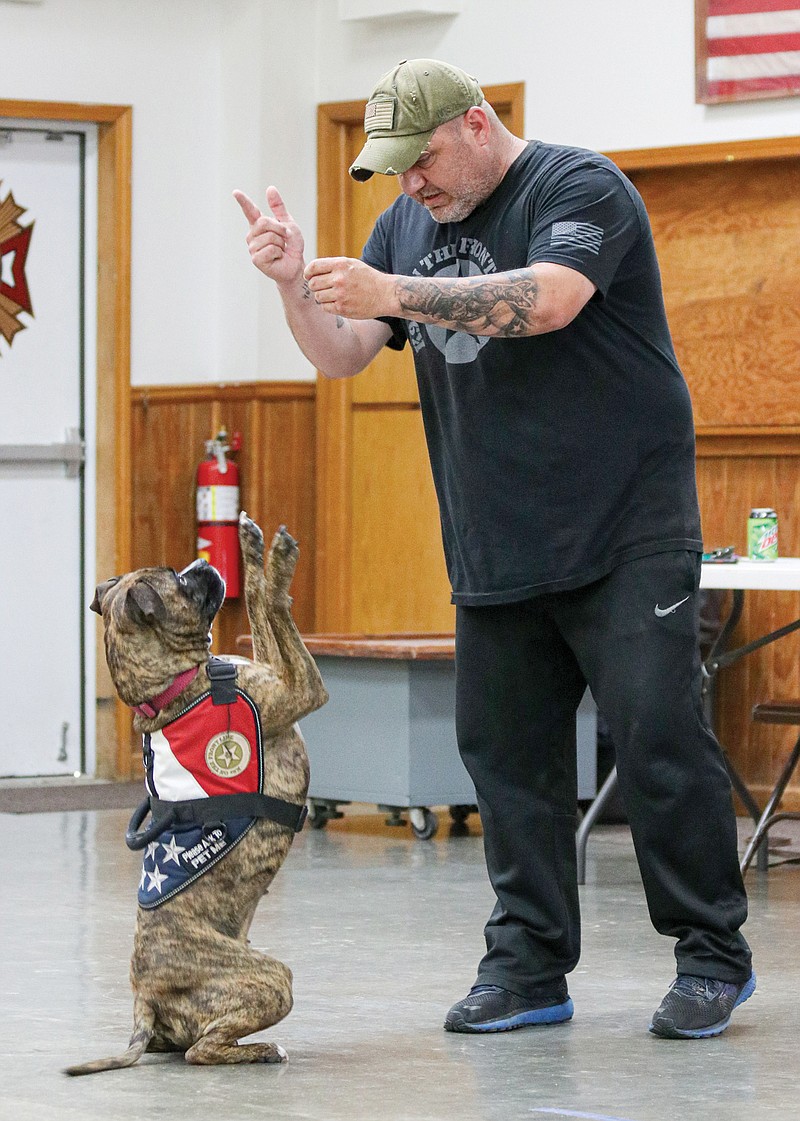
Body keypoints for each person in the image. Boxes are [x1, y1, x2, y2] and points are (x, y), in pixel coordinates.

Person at [234, 58, 755, 1040]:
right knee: (505, 758)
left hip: (624, 526)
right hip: (493, 530)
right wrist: (290, 286)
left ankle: (709, 954)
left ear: (477, 124)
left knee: (655, 736)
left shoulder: (575, 186)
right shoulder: (404, 226)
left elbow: (550, 300)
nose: (409, 187)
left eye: (421, 160)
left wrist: (392, 288)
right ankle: (525, 965)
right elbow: (344, 352)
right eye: (391, 171)